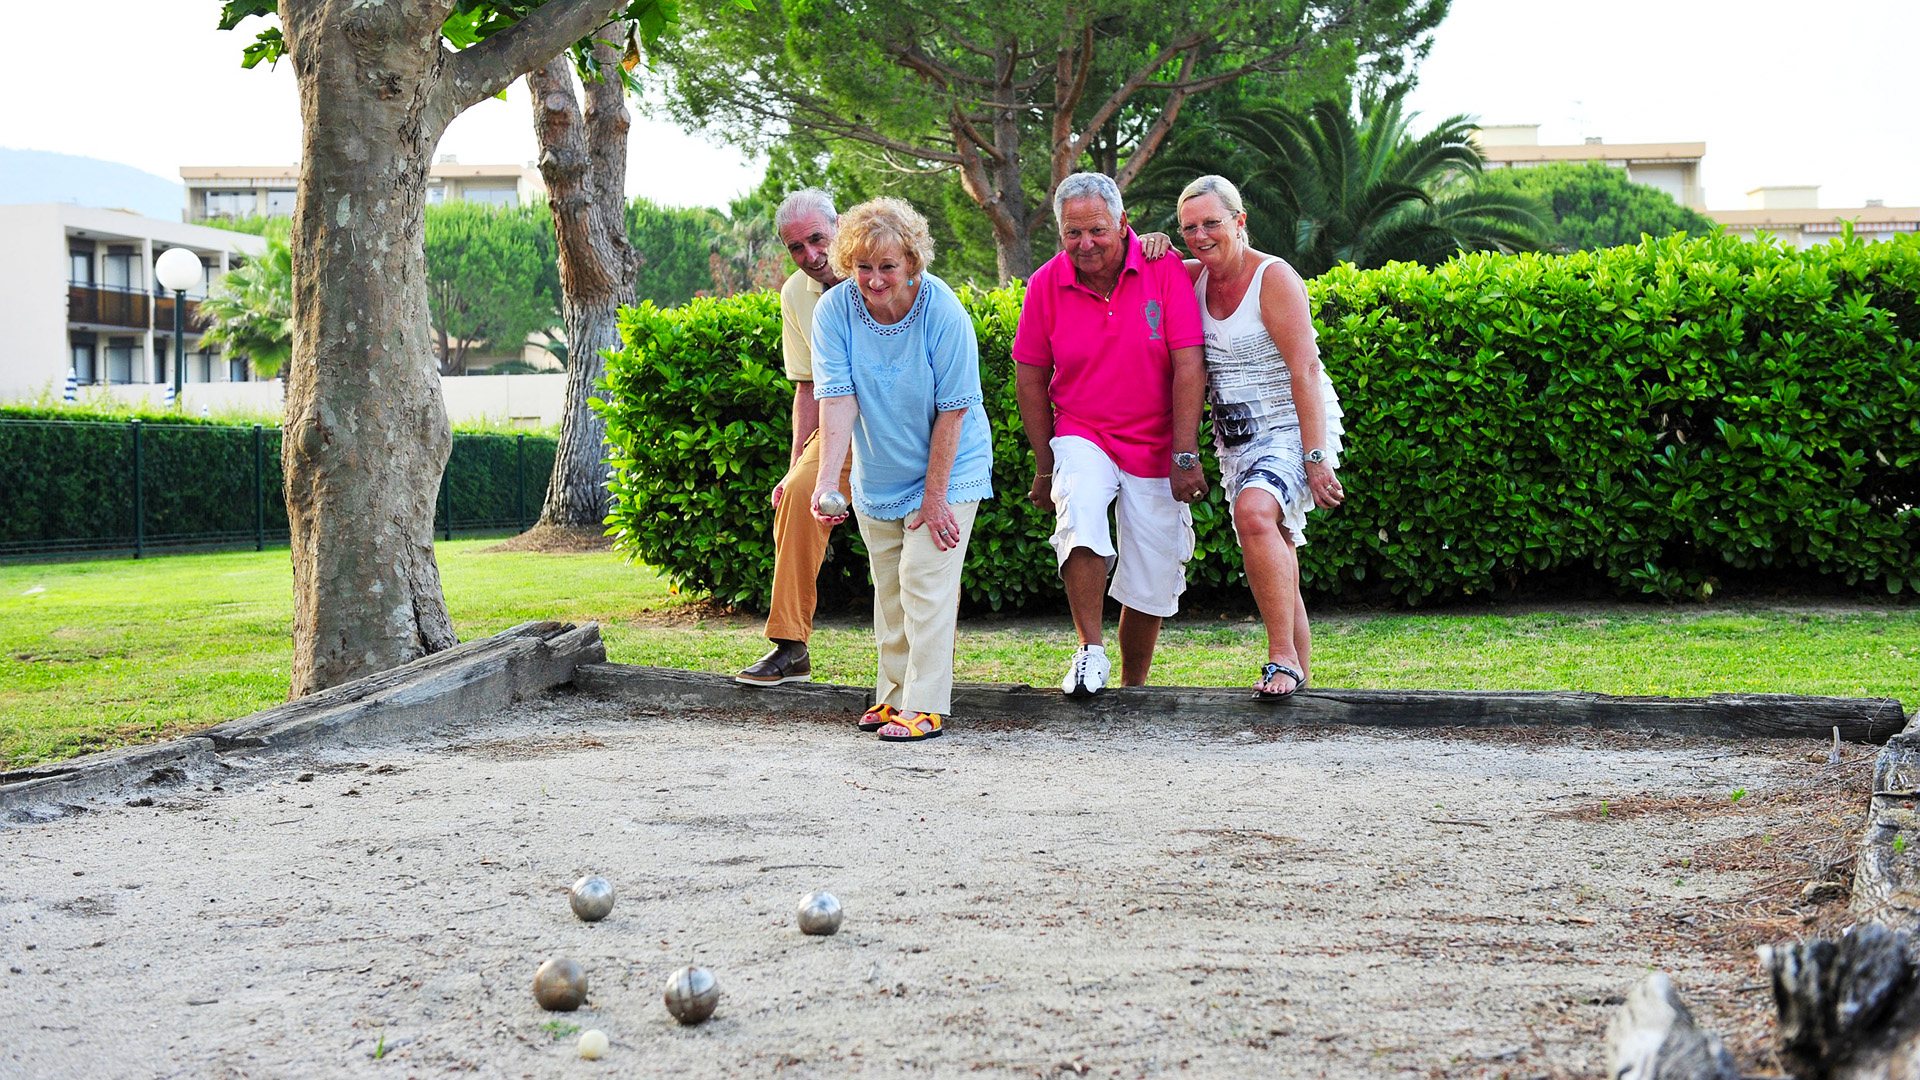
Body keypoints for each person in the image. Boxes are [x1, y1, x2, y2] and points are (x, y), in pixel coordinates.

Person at [1012, 172, 1208, 697]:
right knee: (1079, 507)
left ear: (1123, 223)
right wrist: (1044, 465)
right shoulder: (1046, 284)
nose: (1086, 244)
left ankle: (1132, 686)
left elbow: (1189, 363)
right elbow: (1030, 376)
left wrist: (1185, 453)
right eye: (1072, 234)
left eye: (1097, 230)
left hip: (1157, 440)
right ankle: (1089, 652)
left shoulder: (1161, 265)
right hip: (1083, 429)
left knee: (1152, 568)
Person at [808, 197, 994, 742]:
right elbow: (837, 399)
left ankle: (926, 703)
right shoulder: (835, 311)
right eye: (863, 266)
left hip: (950, 467)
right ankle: (892, 697)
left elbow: (955, 409)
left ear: (912, 262)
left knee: (924, 580)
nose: (874, 279)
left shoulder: (943, 312)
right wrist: (827, 482)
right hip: (879, 472)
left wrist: (935, 498)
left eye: (887, 266)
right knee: (888, 589)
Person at [1175, 175, 1345, 697]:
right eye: (1188, 228)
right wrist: (1152, 245)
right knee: (1277, 540)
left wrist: (1316, 458)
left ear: (1239, 222)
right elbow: (1127, 260)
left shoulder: (1274, 278)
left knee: (1254, 514)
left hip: (1294, 427)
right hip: (1238, 441)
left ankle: (1280, 657)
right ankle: (1302, 680)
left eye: (1212, 223)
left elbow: (1306, 369)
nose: (1201, 235)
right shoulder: (1189, 278)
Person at [736, 189, 854, 687]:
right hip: (834, 430)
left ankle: (930, 657)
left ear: (840, 226)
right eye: (796, 248)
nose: (811, 256)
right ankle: (790, 646)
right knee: (799, 496)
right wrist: (793, 468)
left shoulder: (884, 268)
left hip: (901, 428)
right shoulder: (793, 294)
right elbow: (806, 386)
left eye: (817, 239)